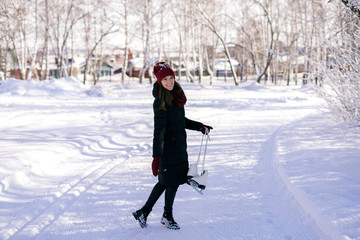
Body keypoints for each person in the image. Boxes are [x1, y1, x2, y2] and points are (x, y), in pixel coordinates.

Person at [132, 62, 213, 230]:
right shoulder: (160, 102)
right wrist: (157, 156)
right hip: (168, 150)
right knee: (171, 182)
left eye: (171, 78)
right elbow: (159, 131)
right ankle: (166, 216)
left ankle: (144, 212)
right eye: (165, 79)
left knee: (165, 182)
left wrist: (199, 126)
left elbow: (180, 121)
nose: (169, 82)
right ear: (159, 81)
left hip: (179, 148)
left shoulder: (176, 96)